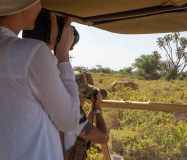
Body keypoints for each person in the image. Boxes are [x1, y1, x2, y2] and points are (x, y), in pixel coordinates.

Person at [0, 0, 82, 160]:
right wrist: (63, 56)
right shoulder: (32, 52)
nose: (40, 7)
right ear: (20, 5)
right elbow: (70, 121)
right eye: (37, 1)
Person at [63, 72, 109, 160]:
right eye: (83, 95)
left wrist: (92, 109)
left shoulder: (58, 106)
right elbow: (104, 137)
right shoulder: (73, 114)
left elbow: (82, 127)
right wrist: (97, 109)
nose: (84, 98)